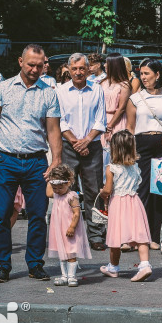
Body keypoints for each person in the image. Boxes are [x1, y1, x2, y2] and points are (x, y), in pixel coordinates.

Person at [0, 44, 62, 283]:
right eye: (31, 64)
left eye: (40, 65)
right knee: (1, 213)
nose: (35, 69)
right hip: (5, 160)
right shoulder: (3, 89)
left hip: (36, 161)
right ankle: (2, 266)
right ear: (20, 62)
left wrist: (57, 160)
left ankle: (35, 264)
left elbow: (53, 130)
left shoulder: (49, 92)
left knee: (38, 215)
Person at [56, 53, 108, 252]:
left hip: (92, 145)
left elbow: (100, 119)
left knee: (94, 190)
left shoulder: (96, 89)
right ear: (68, 69)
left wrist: (86, 140)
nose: (78, 72)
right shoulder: (60, 91)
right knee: (67, 190)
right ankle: (69, 231)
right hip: (68, 145)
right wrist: (74, 141)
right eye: (74, 68)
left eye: (82, 69)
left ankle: (96, 235)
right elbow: (59, 120)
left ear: (88, 69)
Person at [126, 59, 162, 247]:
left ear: (157, 75)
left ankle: (156, 237)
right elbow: (130, 127)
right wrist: (129, 150)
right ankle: (139, 236)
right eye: (141, 74)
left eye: (147, 73)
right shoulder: (135, 98)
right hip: (141, 145)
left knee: (160, 190)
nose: (143, 77)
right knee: (141, 191)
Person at [99, 130, 154, 281]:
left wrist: (103, 192)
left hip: (118, 203)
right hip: (134, 202)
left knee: (115, 238)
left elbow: (109, 190)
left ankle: (113, 267)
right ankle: (144, 264)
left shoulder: (111, 168)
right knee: (140, 236)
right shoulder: (135, 167)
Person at [46, 163, 91, 287]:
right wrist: (49, 178)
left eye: (60, 187)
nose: (56, 190)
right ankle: (64, 276)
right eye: (54, 187)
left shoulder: (72, 196)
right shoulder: (55, 194)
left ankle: (72, 276)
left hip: (69, 228)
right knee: (62, 253)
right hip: (59, 229)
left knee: (71, 253)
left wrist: (72, 227)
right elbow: (47, 193)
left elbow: (76, 213)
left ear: (68, 183)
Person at [98, 54, 132, 160]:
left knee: (116, 155)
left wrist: (110, 126)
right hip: (103, 119)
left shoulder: (125, 85)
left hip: (117, 121)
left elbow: (121, 108)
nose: (104, 65)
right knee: (102, 155)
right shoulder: (103, 83)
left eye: (107, 63)